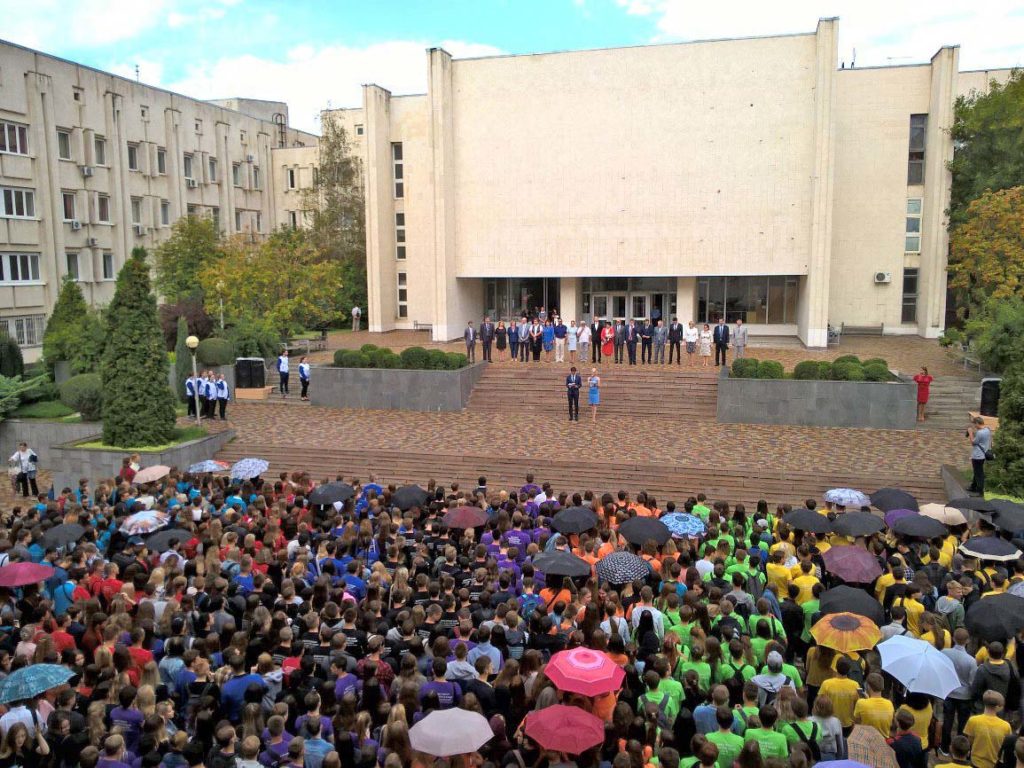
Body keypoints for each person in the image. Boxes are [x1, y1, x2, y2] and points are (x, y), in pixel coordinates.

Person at [964, 690, 1012, 768]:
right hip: (994, 764)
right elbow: (1006, 746)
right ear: (998, 707)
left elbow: (970, 741)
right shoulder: (1006, 726)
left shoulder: (973, 720)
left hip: (975, 761)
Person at [968, 415, 993, 494]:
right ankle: (973, 486)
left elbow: (973, 442)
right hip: (983, 454)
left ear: (978, 423)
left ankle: (980, 490)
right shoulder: (987, 430)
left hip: (977, 455)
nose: (975, 426)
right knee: (977, 471)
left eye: (975, 424)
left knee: (979, 473)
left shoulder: (979, 433)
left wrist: (970, 433)